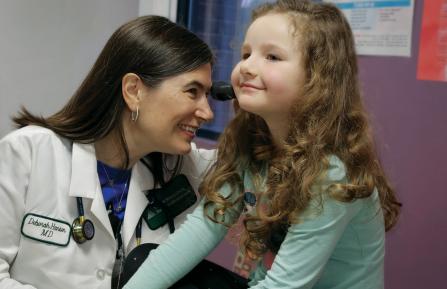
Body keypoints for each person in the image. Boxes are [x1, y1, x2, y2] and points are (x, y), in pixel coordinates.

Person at [123, 1, 402, 289]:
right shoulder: (252, 148)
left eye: (271, 56)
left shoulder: (330, 173)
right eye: (246, 53)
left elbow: (283, 286)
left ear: (317, 79)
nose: (247, 66)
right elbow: (202, 229)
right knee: (144, 261)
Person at [0, 15, 217, 289]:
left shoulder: (185, 169)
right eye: (192, 91)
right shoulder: (29, 154)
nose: (207, 113)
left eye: (208, 94)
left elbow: (264, 156)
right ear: (133, 90)